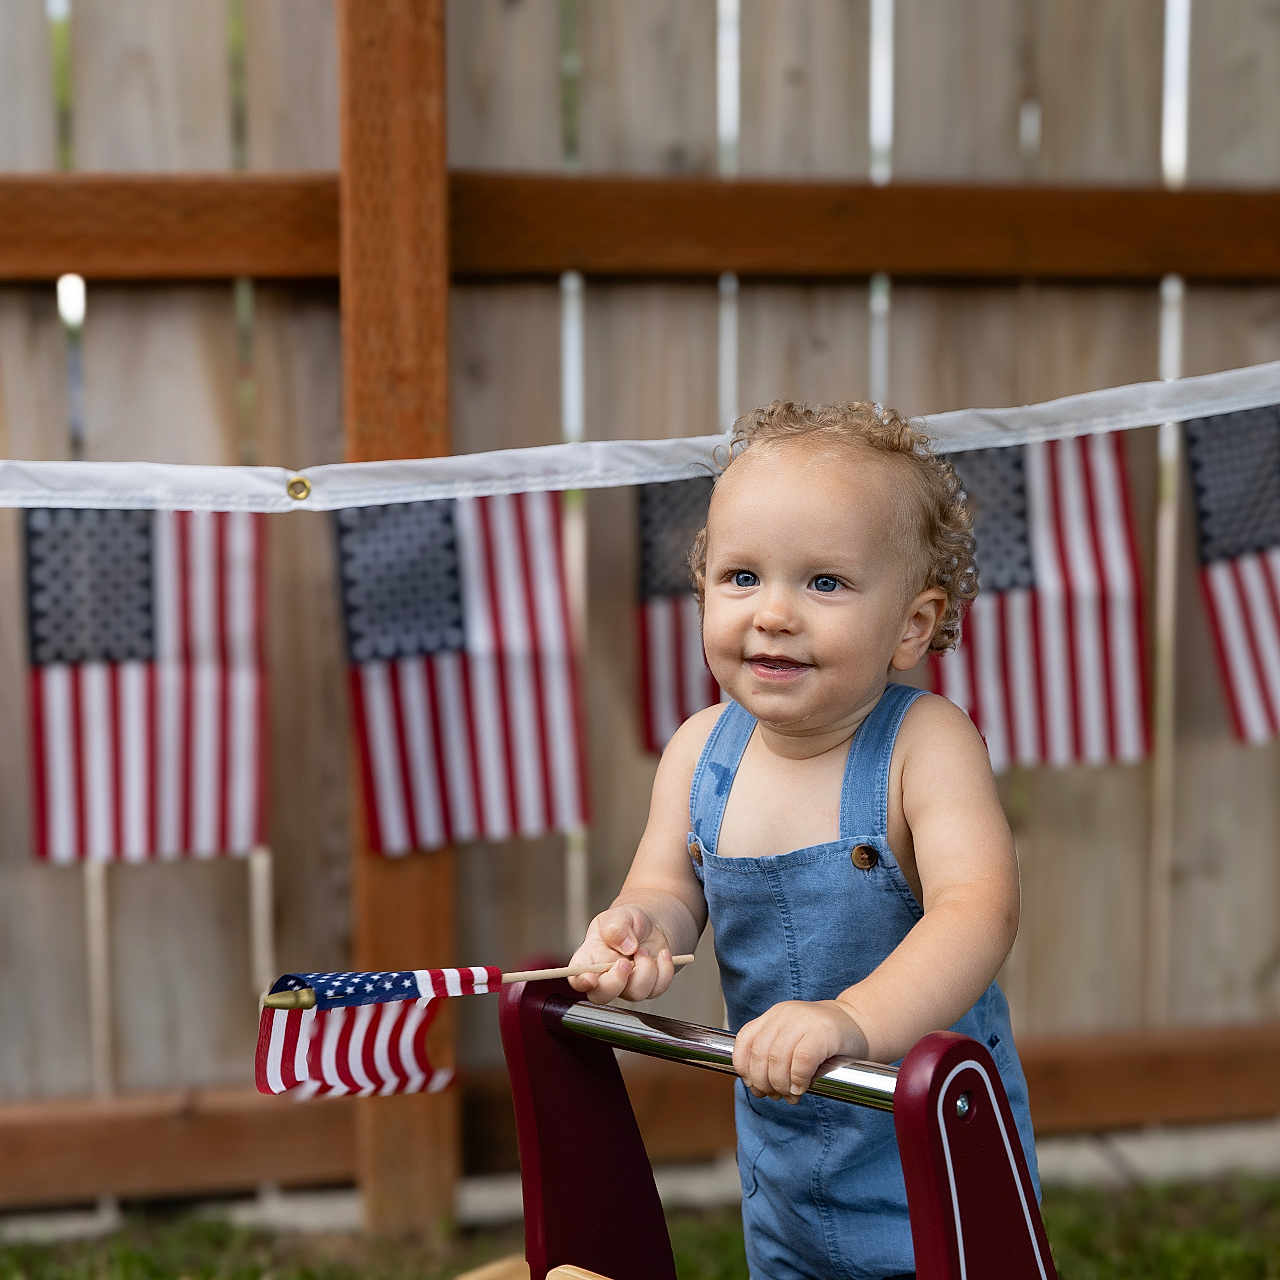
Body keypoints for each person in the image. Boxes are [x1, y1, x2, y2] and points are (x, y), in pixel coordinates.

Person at [568, 400, 1041, 1280]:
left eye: (824, 583)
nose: (774, 613)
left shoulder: (924, 745)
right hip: (786, 1146)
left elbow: (978, 912)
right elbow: (670, 892)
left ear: (912, 623)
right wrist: (638, 931)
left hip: (931, 1154)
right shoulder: (699, 752)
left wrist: (852, 1020)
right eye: (743, 577)